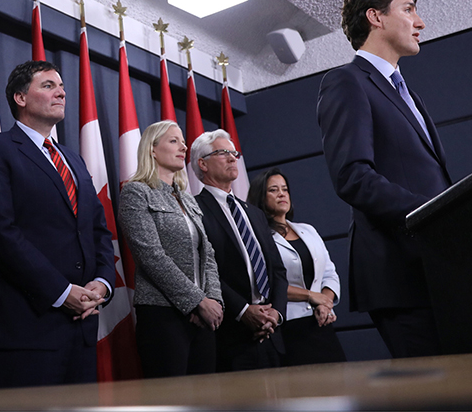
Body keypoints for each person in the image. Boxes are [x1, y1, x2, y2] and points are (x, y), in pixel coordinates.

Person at [316, 0, 452, 358]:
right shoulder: (346, 82)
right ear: (375, 17)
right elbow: (353, 178)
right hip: (399, 272)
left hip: (436, 265)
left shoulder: (406, 91)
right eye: (408, 9)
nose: (420, 22)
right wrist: (436, 213)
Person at [0, 60, 115, 388]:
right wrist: (62, 293)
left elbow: (97, 230)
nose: (61, 92)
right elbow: (1, 232)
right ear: (20, 98)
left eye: (61, 86)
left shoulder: (72, 159)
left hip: (83, 324)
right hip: (25, 328)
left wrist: (102, 284)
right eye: (48, 85)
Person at [117, 120, 224, 377]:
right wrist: (196, 302)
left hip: (204, 317)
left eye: (183, 141)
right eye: (174, 141)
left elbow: (207, 254)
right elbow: (151, 255)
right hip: (162, 315)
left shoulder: (187, 199)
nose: (183, 147)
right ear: (152, 149)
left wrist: (213, 301)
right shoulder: (136, 192)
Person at [191, 129, 287, 372]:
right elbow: (203, 269)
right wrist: (243, 311)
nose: (233, 158)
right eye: (223, 152)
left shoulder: (253, 212)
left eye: (234, 153)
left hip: (271, 333)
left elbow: (277, 268)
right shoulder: (194, 209)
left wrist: (276, 313)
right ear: (202, 163)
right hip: (231, 335)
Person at [248, 169, 347, 366]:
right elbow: (267, 284)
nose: (282, 194)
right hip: (289, 326)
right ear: (261, 197)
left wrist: (325, 303)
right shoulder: (258, 238)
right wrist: (311, 295)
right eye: (273, 190)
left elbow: (329, 273)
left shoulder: (308, 230)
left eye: (285, 189)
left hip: (321, 321)